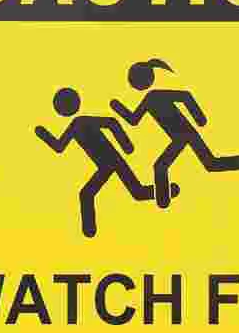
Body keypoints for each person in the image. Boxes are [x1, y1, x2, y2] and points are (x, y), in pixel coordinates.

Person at [111, 58, 239, 209]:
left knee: (167, 166)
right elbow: (134, 120)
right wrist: (118, 107)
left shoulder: (154, 96)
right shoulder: (150, 99)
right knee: (207, 163)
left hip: (184, 135)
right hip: (183, 136)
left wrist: (199, 118)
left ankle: (164, 200)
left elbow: (185, 96)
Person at [35, 86, 153, 238]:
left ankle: (169, 190)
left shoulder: (80, 122)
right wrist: (44, 135)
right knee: (88, 194)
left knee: (136, 192)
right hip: (106, 165)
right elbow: (59, 147)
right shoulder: (75, 126)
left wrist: (126, 146)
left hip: (113, 160)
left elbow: (111, 122)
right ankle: (89, 230)